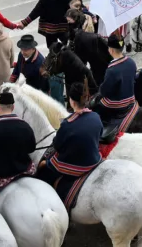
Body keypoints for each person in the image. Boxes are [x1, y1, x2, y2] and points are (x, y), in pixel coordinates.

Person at [36, 81, 103, 210]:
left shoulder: (67, 124)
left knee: (43, 171)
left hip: (75, 166)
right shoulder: (96, 116)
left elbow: (57, 146)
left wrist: (45, 162)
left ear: (71, 101)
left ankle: (51, 206)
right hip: (94, 159)